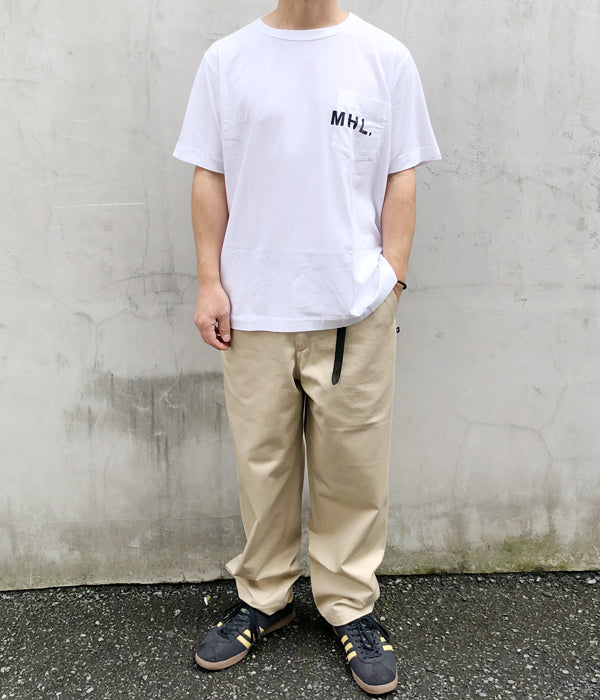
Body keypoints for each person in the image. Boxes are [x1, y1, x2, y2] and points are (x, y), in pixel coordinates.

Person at [173, 0, 441, 694]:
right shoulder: (228, 61)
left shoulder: (384, 58)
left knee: (353, 467)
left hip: (354, 308)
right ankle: (264, 596)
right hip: (255, 306)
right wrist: (210, 282)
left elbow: (402, 172)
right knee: (261, 466)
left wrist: (392, 279)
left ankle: (349, 604)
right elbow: (209, 173)